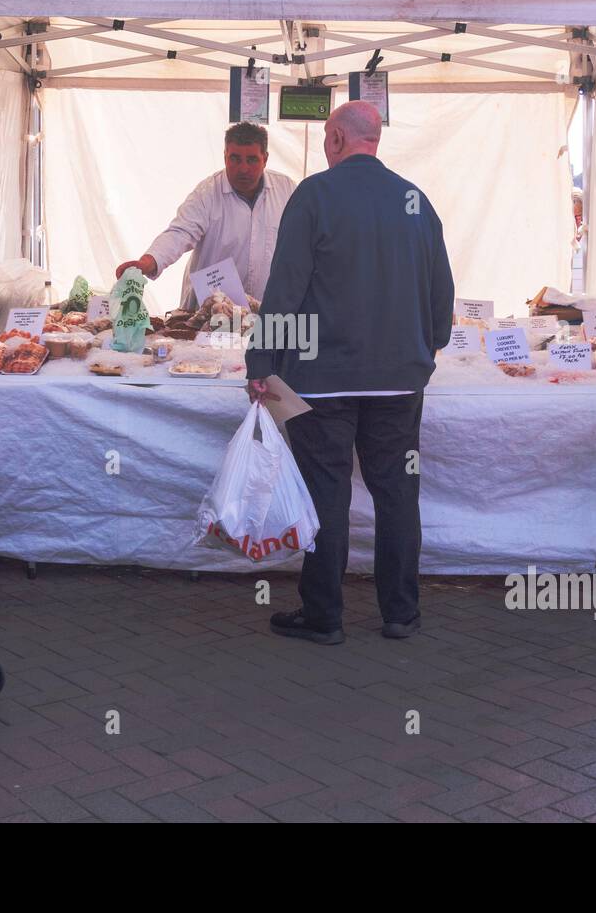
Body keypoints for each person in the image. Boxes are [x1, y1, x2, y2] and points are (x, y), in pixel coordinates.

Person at [245, 101, 454, 645]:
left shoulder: (314, 196)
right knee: (397, 493)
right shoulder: (415, 201)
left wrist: (261, 363)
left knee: (325, 493)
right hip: (398, 380)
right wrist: (426, 349)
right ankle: (401, 613)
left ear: (335, 138)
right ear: (374, 140)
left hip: (322, 379)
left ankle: (324, 615)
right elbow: (442, 294)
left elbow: (285, 288)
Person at [116, 122, 296, 309]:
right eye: (235, 159)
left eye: (252, 160)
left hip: (265, 311)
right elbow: (180, 233)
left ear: (265, 159)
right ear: (225, 157)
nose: (243, 168)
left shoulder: (287, 190)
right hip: (208, 314)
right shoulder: (207, 193)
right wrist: (147, 262)